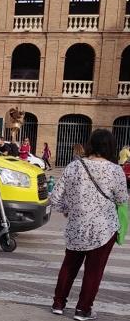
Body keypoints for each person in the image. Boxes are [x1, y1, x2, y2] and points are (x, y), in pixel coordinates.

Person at [50, 129, 128, 320]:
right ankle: (83, 310)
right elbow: (122, 199)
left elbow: (55, 198)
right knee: (94, 271)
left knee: (69, 266)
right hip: (104, 228)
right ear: (110, 147)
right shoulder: (115, 170)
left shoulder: (73, 167)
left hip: (77, 226)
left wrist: (69, 209)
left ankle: (58, 304)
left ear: (90, 145)